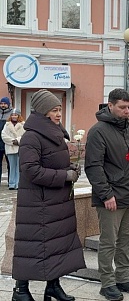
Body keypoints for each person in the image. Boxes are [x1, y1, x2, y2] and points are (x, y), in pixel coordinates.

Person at [12, 89, 85, 301]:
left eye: (60, 109)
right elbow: (31, 170)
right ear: (43, 112)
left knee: (55, 245)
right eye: (54, 110)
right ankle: (20, 290)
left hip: (55, 202)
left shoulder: (54, 133)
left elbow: (50, 162)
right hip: (38, 203)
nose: (59, 113)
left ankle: (53, 286)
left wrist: (69, 166)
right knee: (31, 245)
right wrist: (65, 175)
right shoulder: (32, 137)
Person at [85, 88, 129, 301]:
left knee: (126, 240)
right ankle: (107, 283)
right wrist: (106, 195)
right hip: (112, 197)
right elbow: (93, 167)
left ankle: (123, 277)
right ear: (110, 106)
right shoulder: (98, 131)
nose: (127, 111)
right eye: (122, 107)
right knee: (109, 242)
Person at [1, 109, 26, 190]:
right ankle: (12, 183)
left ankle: (18, 183)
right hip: (10, 148)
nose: (14, 116)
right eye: (12, 115)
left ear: (18, 116)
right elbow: (4, 135)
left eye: (15, 115)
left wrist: (18, 141)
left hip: (19, 148)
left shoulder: (23, 125)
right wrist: (12, 141)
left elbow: (25, 135)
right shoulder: (7, 125)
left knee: (19, 167)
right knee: (12, 166)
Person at [0, 96, 12, 186]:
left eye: (5, 104)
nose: (3, 105)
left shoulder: (12, 114)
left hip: (8, 143)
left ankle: (11, 182)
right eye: (1, 103)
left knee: (10, 164)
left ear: (8, 104)